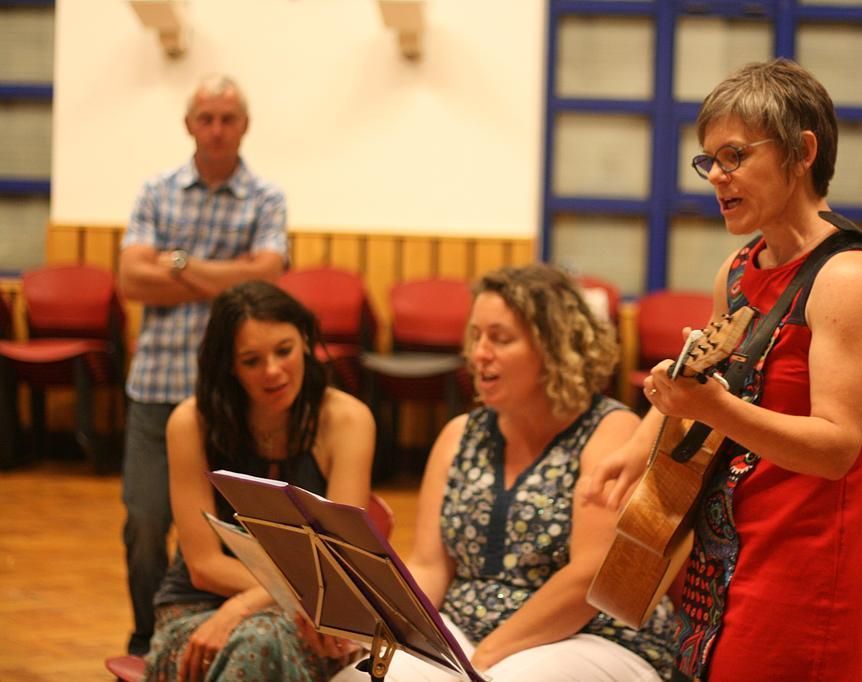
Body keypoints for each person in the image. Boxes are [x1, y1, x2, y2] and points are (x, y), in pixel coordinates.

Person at [585, 58, 862, 682]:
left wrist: (709, 407)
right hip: (723, 551)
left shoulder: (848, 278)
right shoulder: (738, 268)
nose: (717, 178)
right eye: (709, 162)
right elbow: (704, 379)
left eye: (734, 156)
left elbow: (838, 447)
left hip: (807, 569)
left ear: (802, 151)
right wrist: (638, 440)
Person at [318, 263, 675, 681]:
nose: (478, 353)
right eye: (475, 336)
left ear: (554, 348)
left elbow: (588, 581)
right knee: (363, 678)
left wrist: (480, 662)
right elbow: (430, 566)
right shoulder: (458, 435)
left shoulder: (610, 432)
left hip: (590, 636)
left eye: (500, 339)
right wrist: (385, 630)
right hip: (465, 632)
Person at [118, 75, 289, 656]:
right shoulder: (155, 190)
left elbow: (266, 280)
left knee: (224, 532)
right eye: (206, 117)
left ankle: (221, 622)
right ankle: (148, 635)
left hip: (230, 396)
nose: (217, 129)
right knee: (144, 524)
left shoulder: (266, 197)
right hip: (157, 387)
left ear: (245, 125)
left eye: (228, 118)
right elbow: (128, 279)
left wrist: (178, 265)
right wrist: (228, 274)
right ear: (189, 124)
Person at [144, 280, 375, 681]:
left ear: (304, 339)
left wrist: (247, 604)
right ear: (229, 365)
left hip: (309, 615)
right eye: (251, 361)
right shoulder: (191, 422)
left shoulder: (347, 419)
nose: (273, 371)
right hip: (200, 609)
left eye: (284, 351)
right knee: (259, 642)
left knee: (261, 641)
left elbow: (340, 563)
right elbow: (203, 566)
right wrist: (253, 604)